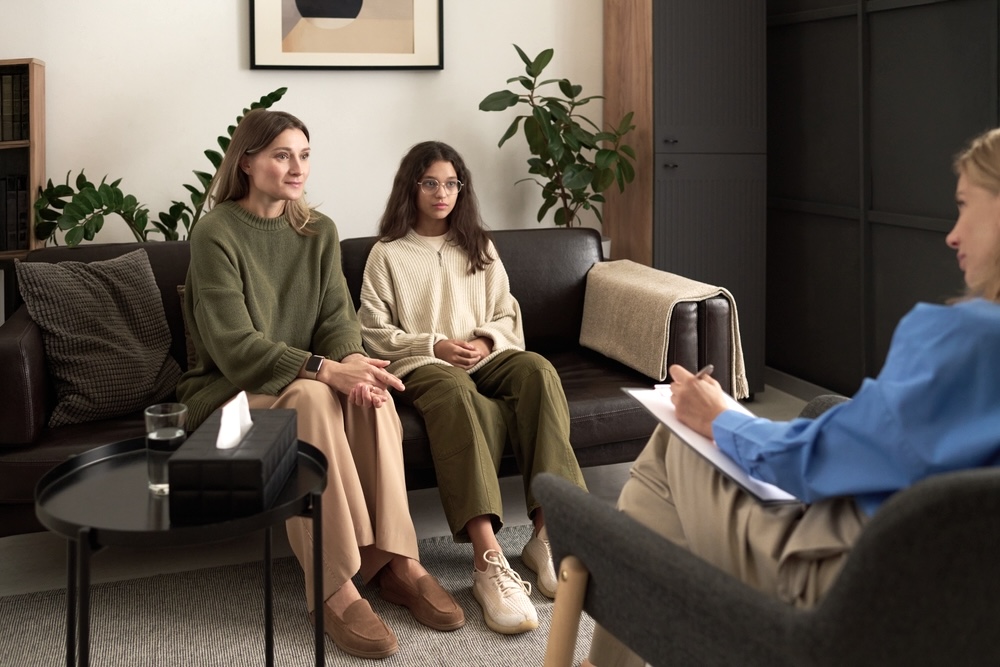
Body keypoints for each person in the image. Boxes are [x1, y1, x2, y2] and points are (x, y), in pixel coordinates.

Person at [582, 127, 1000, 667]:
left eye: (965, 206)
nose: (952, 234)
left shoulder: (962, 337)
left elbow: (814, 460)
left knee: (673, 441)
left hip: (850, 581)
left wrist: (717, 419)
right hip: (964, 602)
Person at [175, 110, 464, 661]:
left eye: (304, 155)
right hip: (225, 402)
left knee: (372, 395)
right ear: (248, 161)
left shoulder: (318, 231)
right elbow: (234, 349)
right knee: (312, 394)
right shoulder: (215, 233)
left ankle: (398, 561)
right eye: (282, 155)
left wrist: (355, 365)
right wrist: (327, 371)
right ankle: (333, 586)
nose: (296, 167)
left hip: (298, 383)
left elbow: (337, 320)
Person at [357, 140, 589, 635]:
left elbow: (506, 312)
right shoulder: (387, 254)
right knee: (454, 391)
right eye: (430, 183)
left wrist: (484, 340)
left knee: (538, 371)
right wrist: (437, 346)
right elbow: (373, 332)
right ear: (411, 187)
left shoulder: (479, 245)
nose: (442, 193)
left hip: (487, 357)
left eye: (451, 184)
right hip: (424, 364)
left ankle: (548, 536)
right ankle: (488, 562)